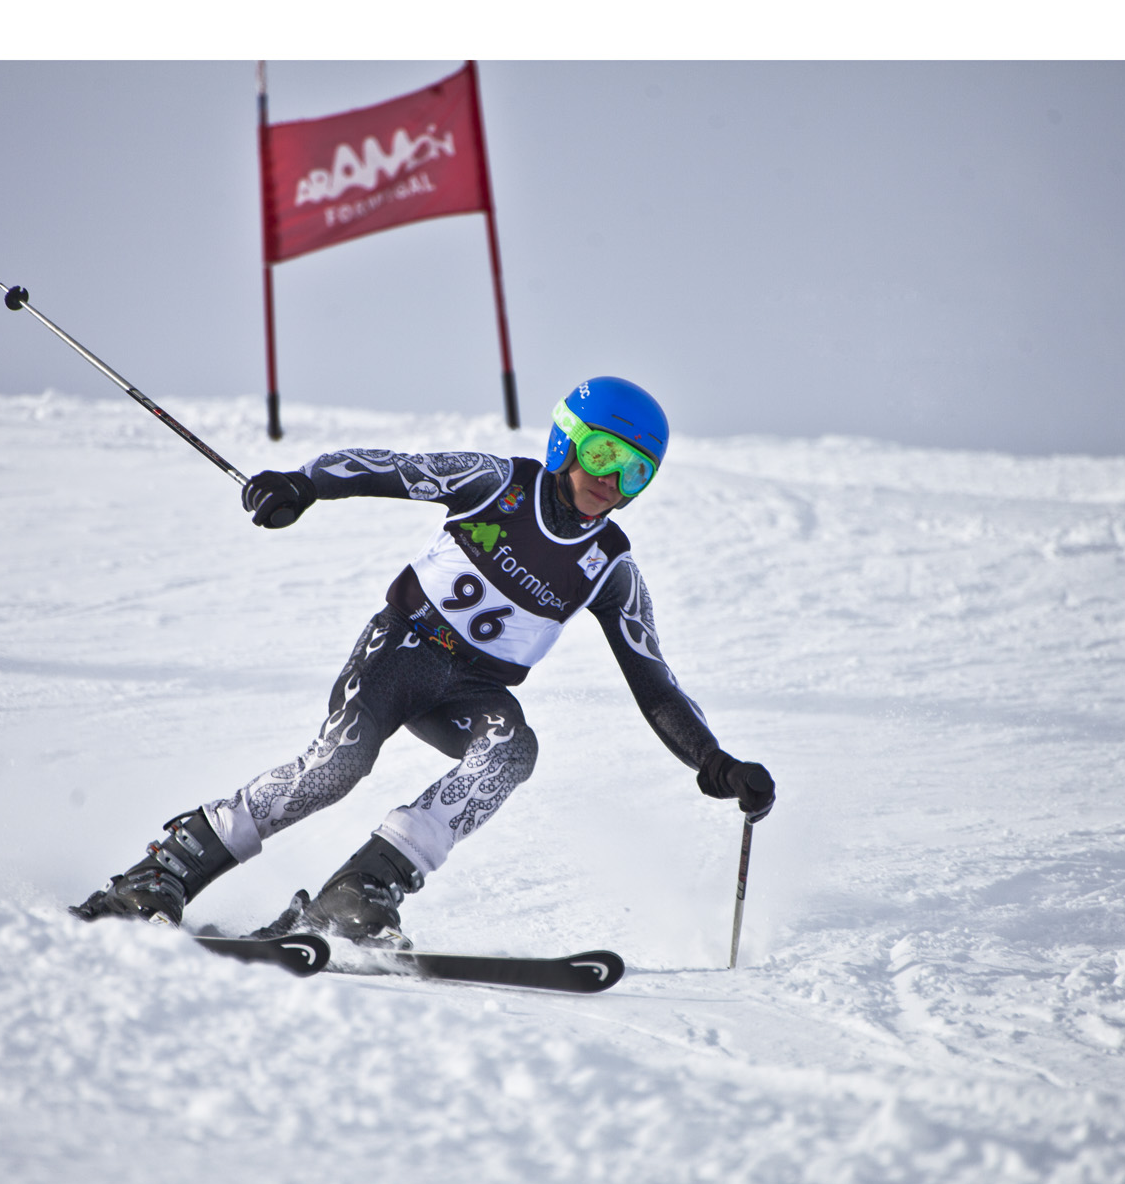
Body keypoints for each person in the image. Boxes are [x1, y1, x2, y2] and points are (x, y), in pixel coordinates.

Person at [72, 377, 776, 947]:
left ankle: (359, 891)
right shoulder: (498, 483)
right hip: (402, 649)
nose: (612, 478)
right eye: (601, 454)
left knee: (512, 751)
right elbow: (391, 467)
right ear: (568, 441)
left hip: (471, 689)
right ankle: (160, 874)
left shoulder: (610, 567)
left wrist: (715, 761)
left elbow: (654, 682)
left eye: (635, 469)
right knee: (338, 766)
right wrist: (303, 484)